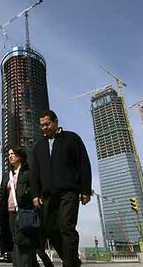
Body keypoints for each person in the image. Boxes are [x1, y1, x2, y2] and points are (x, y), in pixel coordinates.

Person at [31, 110, 92, 267]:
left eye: (47, 124)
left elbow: (84, 164)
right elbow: (35, 172)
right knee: (51, 230)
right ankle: (71, 260)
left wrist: (85, 189)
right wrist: (35, 194)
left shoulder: (72, 138)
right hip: (48, 195)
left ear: (55, 121)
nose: (44, 128)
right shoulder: (38, 146)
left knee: (66, 227)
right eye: (42, 125)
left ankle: (69, 264)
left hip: (68, 192)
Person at [0, 147, 39, 267]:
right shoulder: (7, 175)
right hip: (10, 213)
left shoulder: (28, 173)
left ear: (20, 156)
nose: (10, 156)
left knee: (22, 241)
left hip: (24, 211)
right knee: (16, 241)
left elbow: (35, 188)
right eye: (9, 154)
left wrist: (25, 193)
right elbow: (1, 194)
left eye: (13, 154)